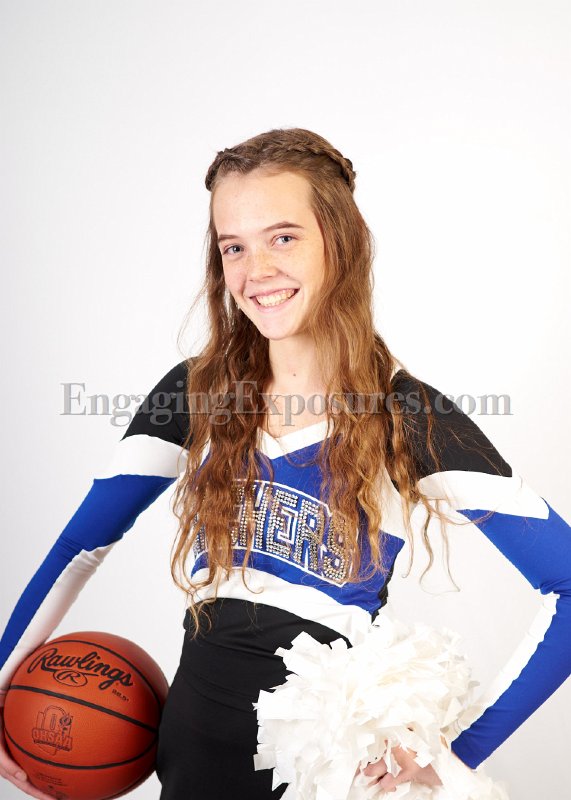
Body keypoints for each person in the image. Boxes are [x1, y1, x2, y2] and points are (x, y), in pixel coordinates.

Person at [1, 128, 570, 800]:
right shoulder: (196, 392)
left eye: (282, 237)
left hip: (316, 783)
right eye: (234, 247)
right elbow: (80, 546)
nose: (256, 271)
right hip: (186, 766)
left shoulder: (406, 414)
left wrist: (453, 753)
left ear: (340, 241)